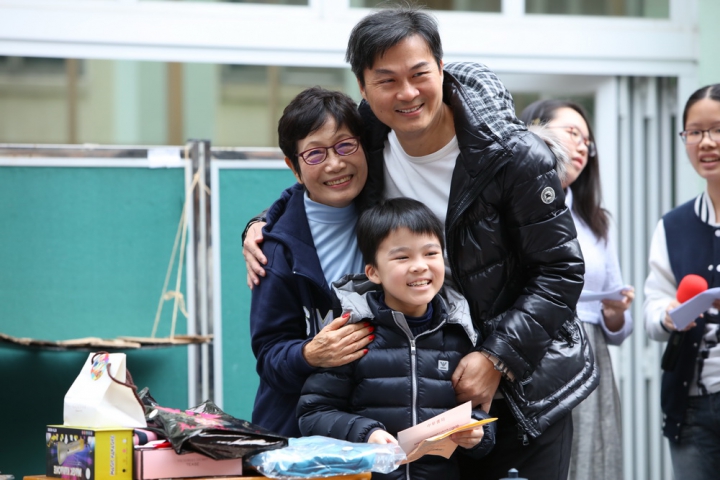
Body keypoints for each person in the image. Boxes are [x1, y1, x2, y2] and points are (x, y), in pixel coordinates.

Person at [244, 6, 598, 479]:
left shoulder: (513, 157)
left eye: (419, 74)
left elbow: (561, 270)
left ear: (441, 68)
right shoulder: (369, 139)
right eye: (386, 80)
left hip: (522, 390)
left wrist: (496, 358)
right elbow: (320, 177)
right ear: (364, 88)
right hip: (428, 396)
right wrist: (262, 222)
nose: (407, 93)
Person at [297, 197, 495, 480]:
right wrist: (366, 433)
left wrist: (479, 432)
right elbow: (313, 414)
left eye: (431, 253)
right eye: (403, 257)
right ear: (373, 272)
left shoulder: (460, 332)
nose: (419, 266)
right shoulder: (352, 335)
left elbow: (479, 412)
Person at [249, 86, 375, 437]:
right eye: (315, 154)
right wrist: (309, 354)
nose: (335, 164)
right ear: (294, 167)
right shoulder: (276, 250)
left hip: (379, 433)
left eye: (345, 145)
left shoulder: (393, 222)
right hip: (299, 437)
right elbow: (269, 357)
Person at [520, 100, 635, 480]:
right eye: (573, 133)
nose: (582, 146)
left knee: (594, 460)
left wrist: (617, 314)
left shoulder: (594, 220)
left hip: (590, 353)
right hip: (536, 347)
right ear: (536, 131)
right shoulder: (513, 206)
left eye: (588, 141)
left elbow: (617, 322)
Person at [644, 83, 720, 479]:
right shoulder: (673, 226)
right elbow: (653, 307)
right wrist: (668, 315)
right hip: (691, 407)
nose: (706, 142)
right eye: (695, 131)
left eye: (718, 129)